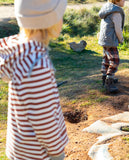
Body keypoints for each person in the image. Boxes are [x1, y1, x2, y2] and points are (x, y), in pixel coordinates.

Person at [0, 0, 68, 159]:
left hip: (19, 147)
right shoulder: (37, 66)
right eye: (61, 16)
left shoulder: (18, 51)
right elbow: (43, 121)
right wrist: (57, 152)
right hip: (36, 153)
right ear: (50, 20)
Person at [98, 0, 125, 93]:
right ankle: (109, 82)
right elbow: (118, 29)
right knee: (115, 61)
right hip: (110, 40)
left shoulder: (106, 8)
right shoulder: (116, 12)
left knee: (106, 59)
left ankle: (104, 77)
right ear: (117, 0)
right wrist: (121, 39)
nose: (125, 1)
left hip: (104, 39)